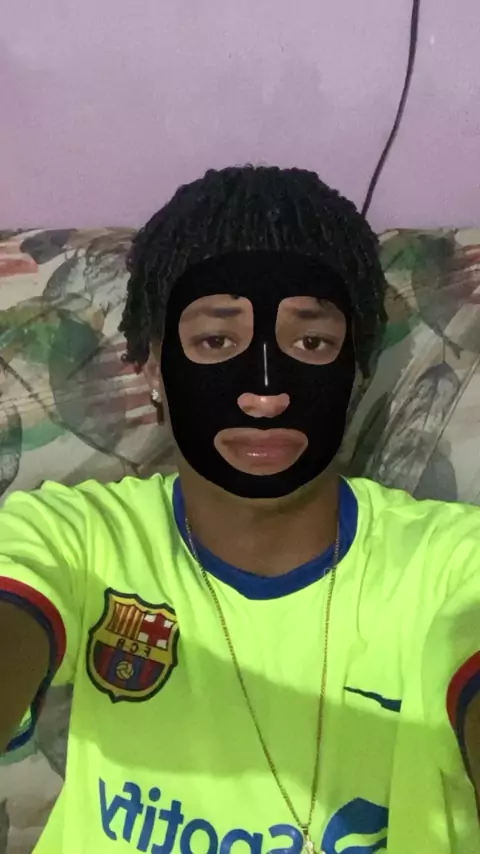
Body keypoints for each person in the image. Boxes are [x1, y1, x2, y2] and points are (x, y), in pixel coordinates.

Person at [0, 165, 479, 854]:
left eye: (311, 343)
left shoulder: (450, 568)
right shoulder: (73, 540)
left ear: (359, 369)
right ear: (151, 368)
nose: (264, 393)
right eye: (215, 342)